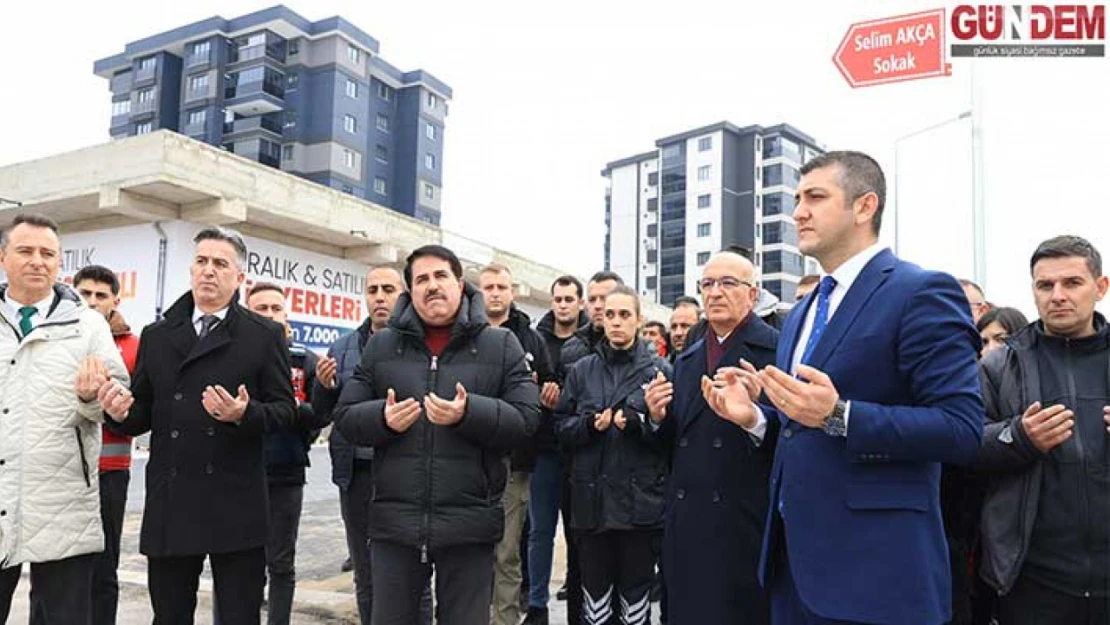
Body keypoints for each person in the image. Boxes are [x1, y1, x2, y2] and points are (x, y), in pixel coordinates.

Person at [706, 152, 984, 625]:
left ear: (864, 206)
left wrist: (841, 415)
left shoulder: (921, 292)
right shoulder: (803, 311)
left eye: (815, 197)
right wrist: (754, 418)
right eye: (796, 199)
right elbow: (800, 429)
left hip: (878, 576)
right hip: (792, 570)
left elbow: (960, 429)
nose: (798, 212)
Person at [333, 245, 540, 624]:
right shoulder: (382, 346)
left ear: (460, 285)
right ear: (410, 292)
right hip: (395, 524)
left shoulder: (500, 344)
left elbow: (527, 420)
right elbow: (345, 416)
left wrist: (469, 412)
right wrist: (383, 418)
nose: (432, 286)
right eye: (421, 280)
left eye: (441, 276)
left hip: (469, 522)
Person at [99, 226, 296, 624]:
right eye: (202, 261)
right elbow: (142, 413)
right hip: (173, 499)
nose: (209, 271)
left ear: (239, 278)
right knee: (170, 616)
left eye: (220, 264)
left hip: (236, 501)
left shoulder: (264, 335)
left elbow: (285, 412)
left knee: (240, 616)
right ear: (191, 270)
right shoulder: (158, 336)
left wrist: (244, 414)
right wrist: (117, 410)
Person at [0, 215, 129, 623]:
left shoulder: (87, 323)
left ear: (58, 263)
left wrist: (96, 396)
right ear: (3, 258)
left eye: (48, 253)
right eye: (25, 251)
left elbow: (118, 395)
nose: (37, 261)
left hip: (63, 501)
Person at [976, 236, 1110, 624]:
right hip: (1035, 580)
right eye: (1045, 285)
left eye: (1072, 283)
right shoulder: (1000, 366)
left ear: (1100, 287)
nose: (1057, 295)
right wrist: (1018, 438)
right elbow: (963, 444)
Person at [645, 250, 779, 625]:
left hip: (742, 521)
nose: (715, 292)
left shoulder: (776, 351)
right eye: (708, 284)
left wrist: (755, 416)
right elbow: (676, 442)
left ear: (752, 295)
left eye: (728, 283)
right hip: (687, 522)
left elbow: (793, 438)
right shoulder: (687, 359)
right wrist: (657, 418)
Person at [311, 265, 431, 625]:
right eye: (373, 289)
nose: (380, 296)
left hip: (404, 473)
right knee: (365, 572)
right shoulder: (342, 348)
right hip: (356, 474)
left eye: (389, 289)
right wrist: (325, 386)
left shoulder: (420, 346)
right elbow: (323, 415)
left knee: (415, 575)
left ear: (403, 294)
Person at [556, 285, 672, 625]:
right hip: (591, 507)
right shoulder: (581, 370)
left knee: (635, 606)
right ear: (601, 320)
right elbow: (560, 429)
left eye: (624, 315)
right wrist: (591, 426)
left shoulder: (660, 370)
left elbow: (673, 438)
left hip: (640, 509)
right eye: (610, 315)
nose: (616, 322)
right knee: (595, 606)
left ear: (639, 320)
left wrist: (644, 422)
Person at [244, 282, 331, 625]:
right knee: (237, 564)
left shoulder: (305, 360)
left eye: (275, 308)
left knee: (281, 563)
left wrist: (289, 410)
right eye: (260, 308)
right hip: (238, 474)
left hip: (286, 473)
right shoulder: (234, 355)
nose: (269, 315)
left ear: (286, 314)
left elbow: (320, 416)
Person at [479, 263, 555, 625]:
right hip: (466, 457)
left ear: (513, 292)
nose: (495, 292)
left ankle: (504, 620)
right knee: (468, 552)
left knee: (507, 553)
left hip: (514, 460)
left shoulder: (530, 337)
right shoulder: (465, 331)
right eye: (489, 286)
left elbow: (548, 391)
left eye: (501, 286)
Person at [553, 270, 623, 622]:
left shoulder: (643, 356)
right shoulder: (574, 350)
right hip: (579, 471)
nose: (599, 306)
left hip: (626, 478)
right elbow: (563, 419)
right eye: (593, 299)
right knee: (580, 563)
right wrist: (589, 426)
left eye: (606, 299)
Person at [74, 264, 141, 625]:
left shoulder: (133, 348)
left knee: (103, 567)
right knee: (53, 571)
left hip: (110, 474)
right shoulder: (58, 337)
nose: (92, 301)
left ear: (115, 300)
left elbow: (138, 410)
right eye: (85, 293)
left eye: (101, 295)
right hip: (63, 470)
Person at [526, 275, 589, 625]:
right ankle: (537, 605)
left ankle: (579, 605)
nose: (563, 304)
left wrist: (565, 400)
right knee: (540, 532)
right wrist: (538, 398)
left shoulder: (591, 340)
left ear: (579, 302)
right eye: (558, 298)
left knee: (579, 532)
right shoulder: (537, 340)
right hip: (545, 448)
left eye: (569, 298)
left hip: (581, 450)